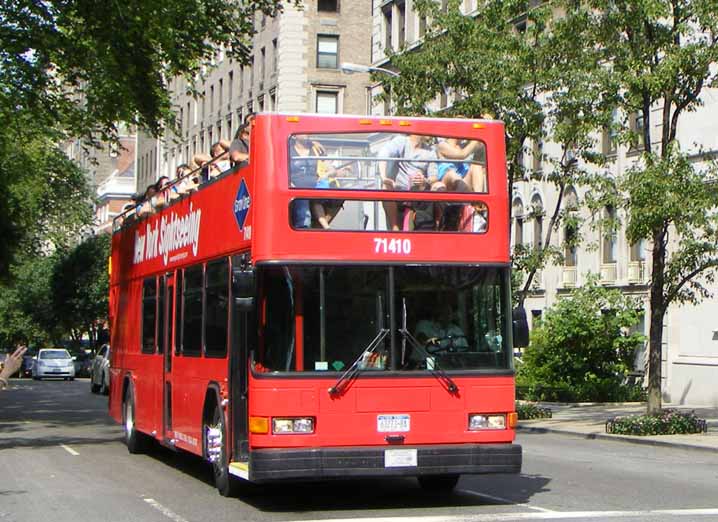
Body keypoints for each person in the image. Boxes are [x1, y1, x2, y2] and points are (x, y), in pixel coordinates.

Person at [377, 134, 438, 230]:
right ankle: (395, 228)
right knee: (386, 186)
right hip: (397, 194)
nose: (430, 132)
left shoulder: (431, 152)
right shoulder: (401, 141)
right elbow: (384, 153)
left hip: (418, 196)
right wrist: (384, 177)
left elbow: (434, 177)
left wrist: (425, 180)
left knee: (438, 188)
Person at [289, 135, 326, 228]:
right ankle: (304, 227)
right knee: (303, 199)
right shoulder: (288, 149)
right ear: (294, 136)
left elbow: (326, 165)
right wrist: (289, 183)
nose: (306, 134)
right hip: (296, 186)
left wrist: (326, 175)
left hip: (316, 185)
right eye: (302, 132)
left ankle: (326, 228)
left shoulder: (315, 149)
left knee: (323, 197)